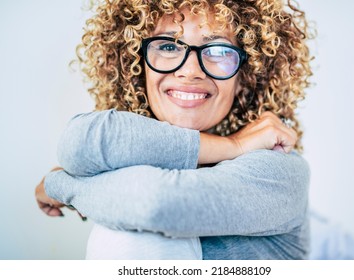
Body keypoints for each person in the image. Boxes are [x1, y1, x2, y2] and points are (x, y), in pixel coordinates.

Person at [35, 0, 313, 259]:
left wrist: (61, 185)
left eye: (217, 50)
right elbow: (78, 143)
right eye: (168, 47)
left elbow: (156, 204)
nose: (191, 71)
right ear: (136, 66)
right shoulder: (131, 155)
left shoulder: (278, 170)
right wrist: (232, 145)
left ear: (246, 75)